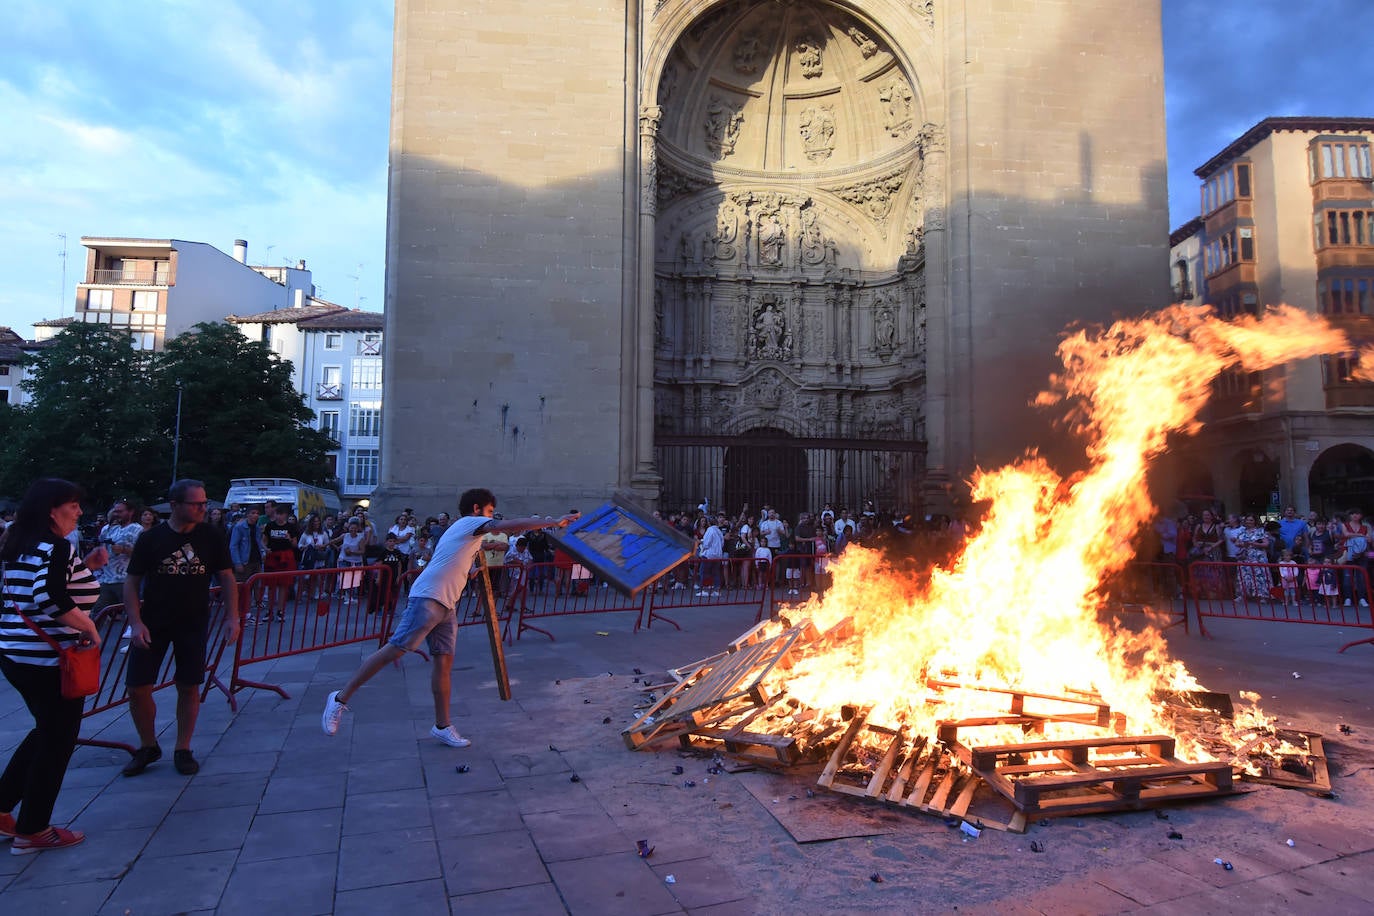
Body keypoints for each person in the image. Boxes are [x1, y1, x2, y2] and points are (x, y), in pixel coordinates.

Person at [322, 489, 577, 747]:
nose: (491, 518)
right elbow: (511, 525)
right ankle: (340, 698)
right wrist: (554, 520)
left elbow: (456, 559)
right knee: (395, 650)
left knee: (443, 664)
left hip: (447, 605)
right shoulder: (469, 522)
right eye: (489, 512)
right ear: (477, 509)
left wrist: (472, 570)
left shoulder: (466, 535)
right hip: (428, 598)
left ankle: (442, 725)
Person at [0, 478, 106, 853]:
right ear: (51, 509)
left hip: (16, 654)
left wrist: (86, 567)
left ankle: (2, 810)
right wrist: (90, 627)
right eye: (73, 504)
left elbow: (40, 591)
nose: (79, 511)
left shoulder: (20, 544)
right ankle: (33, 829)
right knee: (57, 742)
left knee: (46, 732)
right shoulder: (57, 546)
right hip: (49, 661)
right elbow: (50, 598)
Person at [121, 479, 238, 777]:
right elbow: (132, 581)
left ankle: (182, 748)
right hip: (153, 622)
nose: (203, 508)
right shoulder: (151, 539)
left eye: (204, 502)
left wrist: (232, 616)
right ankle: (148, 745)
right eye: (195, 504)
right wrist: (135, 622)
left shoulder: (211, 537)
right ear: (174, 505)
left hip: (193, 621)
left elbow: (226, 577)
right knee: (137, 687)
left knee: (188, 685)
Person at [94, 500, 142, 614]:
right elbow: (100, 546)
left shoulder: (138, 529)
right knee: (97, 613)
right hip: (105, 578)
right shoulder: (107, 528)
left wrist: (124, 550)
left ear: (130, 512)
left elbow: (143, 554)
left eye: (120, 512)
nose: (116, 514)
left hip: (126, 579)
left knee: (130, 614)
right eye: (115, 511)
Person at [261, 504, 299, 623]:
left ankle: (280, 611)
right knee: (271, 585)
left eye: (281, 514)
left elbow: (295, 544)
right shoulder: (270, 526)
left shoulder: (290, 527)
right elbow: (263, 541)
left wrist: (289, 539)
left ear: (286, 515)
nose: (279, 516)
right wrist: (265, 549)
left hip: (286, 556)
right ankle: (269, 611)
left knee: (284, 584)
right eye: (277, 514)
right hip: (272, 556)